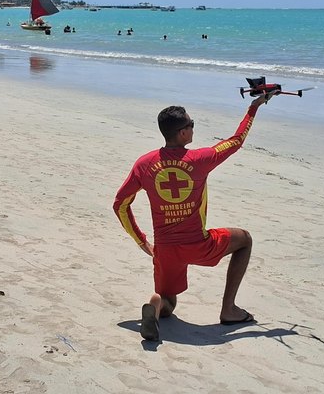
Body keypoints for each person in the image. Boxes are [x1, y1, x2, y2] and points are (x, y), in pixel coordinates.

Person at [112, 91, 278, 342]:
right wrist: (254, 107)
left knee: (169, 301)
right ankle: (229, 309)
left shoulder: (144, 164)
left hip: (165, 250)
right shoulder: (200, 159)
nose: (193, 128)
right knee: (244, 239)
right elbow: (236, 140)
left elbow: (120, 205)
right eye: (191, 125)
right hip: (198, 245)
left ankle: (155, 305)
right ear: (182, 133)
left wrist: (142, 241)